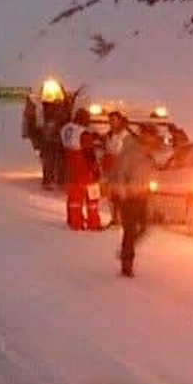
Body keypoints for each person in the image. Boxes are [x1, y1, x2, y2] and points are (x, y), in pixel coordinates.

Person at [109, 126, 160, 277]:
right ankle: (127, 265)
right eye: (149, 136)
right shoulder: (130, 152)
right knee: (130, 231)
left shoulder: (149, 154)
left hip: (143, 196)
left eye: (153, 137)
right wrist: (122, 192)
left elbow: (152, 173)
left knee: (144, 227)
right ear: (143, 135)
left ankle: (126, 251)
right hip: (128, 197)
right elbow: (120, 173)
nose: (152, 140)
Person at [60, 108, 102, 230]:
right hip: (84, 170)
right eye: (87, 119)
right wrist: (95, 170)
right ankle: (94, 223)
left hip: (70, 169)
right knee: (93, 198)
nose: (89, 122)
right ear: (83, 119)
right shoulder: (84, 133)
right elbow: (89, 153)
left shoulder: (65, 128)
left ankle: (74, 222)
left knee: (74, 199)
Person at [100, 111, 130, 226]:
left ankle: (122, 218)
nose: (111, 123)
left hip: (121, 167)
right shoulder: (108, 135)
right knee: (111, 195)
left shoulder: (125, 135)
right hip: (110, 167)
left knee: (120, 195)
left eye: (114, 120)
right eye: (110, 120)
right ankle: (114, 218)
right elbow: (107, 151)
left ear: (119, 121)